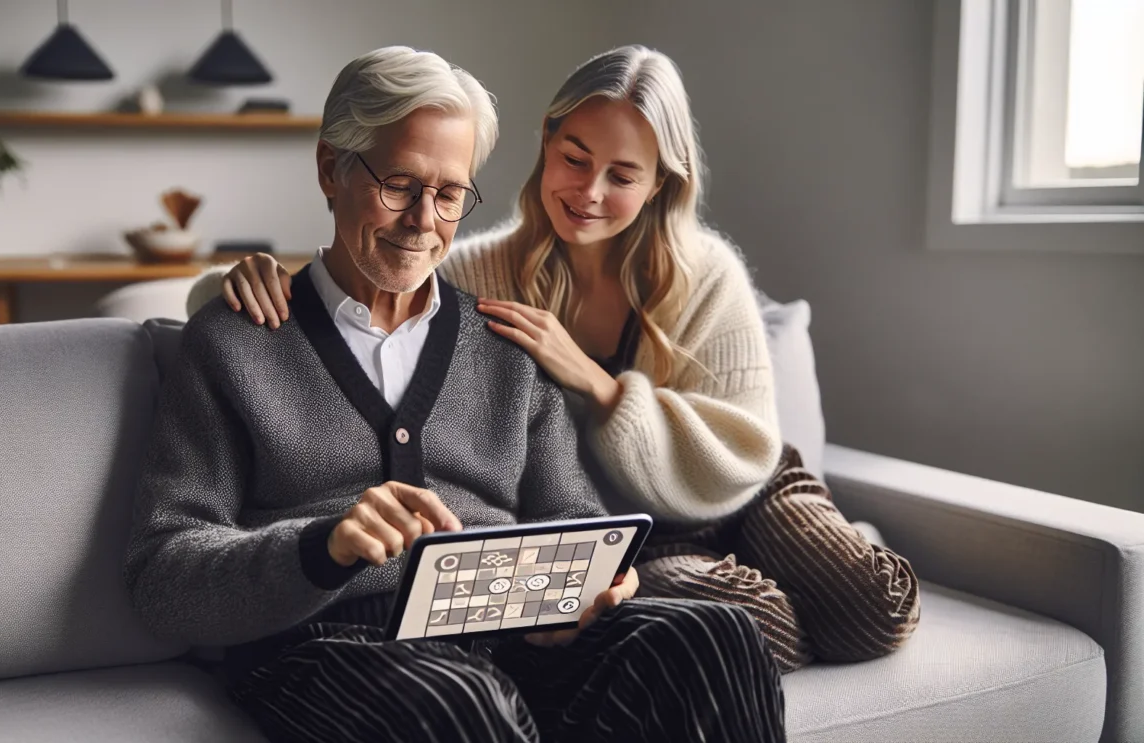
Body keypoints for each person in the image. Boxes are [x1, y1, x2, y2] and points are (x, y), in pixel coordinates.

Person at [125, 46, 786, 743]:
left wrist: (587, 590)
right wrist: (321, 546)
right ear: (330, 169)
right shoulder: (236, 342)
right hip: (329, 647)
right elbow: (161, 576)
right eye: (399, 184)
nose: (422, 220)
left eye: (448, 195)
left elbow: (572, 514)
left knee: (715, 633)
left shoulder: (505, 343)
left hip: (509, 640)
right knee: (460, 705)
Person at [191, 44, 921, 673]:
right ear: (547, 142)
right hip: (644, 530)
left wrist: (600, 386)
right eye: (574, 158)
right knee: (741, 625)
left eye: (623, 175)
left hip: (746, 485)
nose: (590, 192)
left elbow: (740, 451)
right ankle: (772, 592)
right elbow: (368, 273)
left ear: (660, 181)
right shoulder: (477, 271)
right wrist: (226, 282)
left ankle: (841, 550)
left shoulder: (706, 274)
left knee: (875, 610)